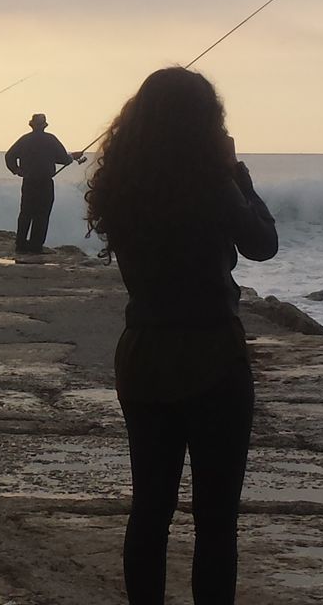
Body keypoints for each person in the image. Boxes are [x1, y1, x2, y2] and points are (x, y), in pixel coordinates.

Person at [84, 67, 277, 605]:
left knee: (150, 508)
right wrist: (238, 171)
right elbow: (263, 244)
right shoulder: (213, 184)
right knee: (216, 518)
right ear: (205, 124)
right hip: (212, 354)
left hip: (143, 352)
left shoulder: (122, 185)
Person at [4, 112, 84, 254]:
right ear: (44, 126)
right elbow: (63, 159)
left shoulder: (24, 140)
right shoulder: (51, 139)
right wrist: (73, 156)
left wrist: (16, 170)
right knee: (42, 215)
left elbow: (9, 156)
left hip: (28, 182)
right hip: (45, 183)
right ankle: (36, 246)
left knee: (25, 213)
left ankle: (21, 244)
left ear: (32, 126)